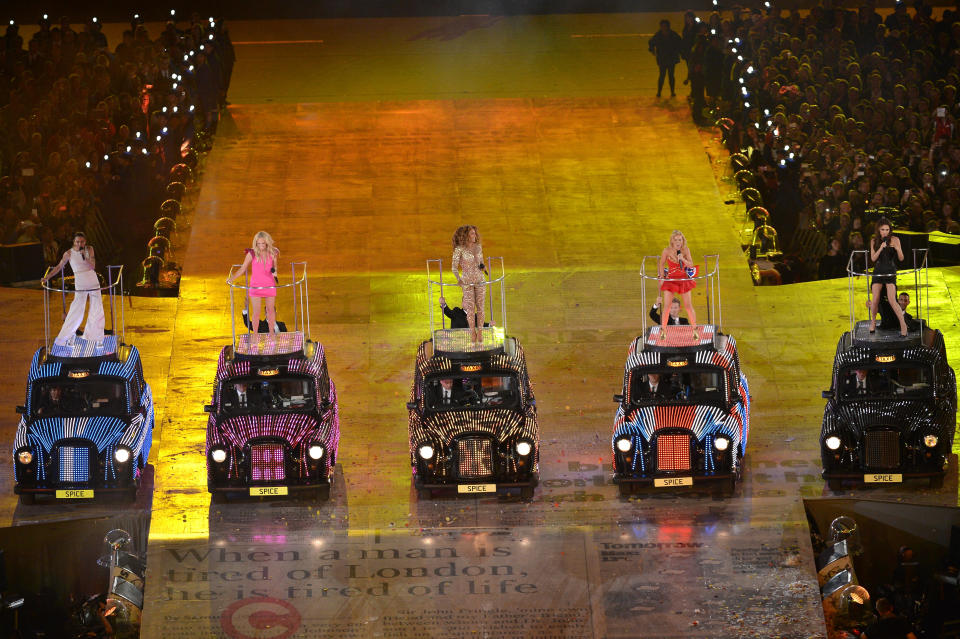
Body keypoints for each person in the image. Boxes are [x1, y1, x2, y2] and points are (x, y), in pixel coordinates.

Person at [42, 232, 105, 347]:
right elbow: (58, 267)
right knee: (77, 308)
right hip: (80, 281)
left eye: (82, 241)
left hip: (92, 279)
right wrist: (48, 277)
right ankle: (66, 336)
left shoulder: (89, 249)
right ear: (74, 242)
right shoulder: (69, 253)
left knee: (97, 307)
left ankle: (95, 337)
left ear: (85, 242)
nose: (80, 243)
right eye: (77, 241)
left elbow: (92, 266)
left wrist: (84, 257)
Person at [228, 231, 280, 334]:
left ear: (267, 243)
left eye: (263, 243)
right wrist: (231, 278)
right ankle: (255, 336)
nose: (261, 246)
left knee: (270, 311)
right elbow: (243, 269)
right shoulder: (251, 254)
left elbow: (274, 268)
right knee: (256, 312)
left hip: (269, 285)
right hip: (255, 286)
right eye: (258, 243)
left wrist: (274, 273)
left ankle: (272, 334)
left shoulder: (273, 253)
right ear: (255, 243)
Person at [867, 219, 908, 336]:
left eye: (887, 230)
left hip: (890, 271)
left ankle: (903, 324)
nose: (885, 232)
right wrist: (881, 247)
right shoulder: (874, 240)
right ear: (878, 230)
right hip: (878, 271)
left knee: (892, 299)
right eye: (882, 230)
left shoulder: (895, 239)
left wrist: (898, 248)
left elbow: (901, 258)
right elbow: (873, 259)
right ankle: (873, 322)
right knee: (875, 299)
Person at [658, 230, 698, 339]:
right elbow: (661, 264)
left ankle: (695, 329)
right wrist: (661, 277)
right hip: (671, 280)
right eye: (675, 240)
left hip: (683, 279)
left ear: (682, 240)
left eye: (679, 239)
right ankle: (664, 330)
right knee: (666, 306)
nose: (677, 242)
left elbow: (691, 265)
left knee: (688, 306)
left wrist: (683, 259)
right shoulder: (666, 251)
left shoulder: (685, 250)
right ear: (672, 241)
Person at [451, 225, 486, 344]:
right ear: (466, 235)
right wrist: (459, 279)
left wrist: (483, 266)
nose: (474, 236)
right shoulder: (459, 249)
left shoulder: (478, 247)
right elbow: (454, 267)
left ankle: (480, 331)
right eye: (472, 234)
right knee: (470, 309)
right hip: (467, 281)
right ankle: (472, 332)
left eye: (475, 233)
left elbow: (481, 262)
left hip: (480, 279)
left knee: (481, 307)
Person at [649, 19, 683, 98]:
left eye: (665, 26)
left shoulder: (673, 35)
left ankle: (672, 92)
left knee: (671, 76)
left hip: (671, 58)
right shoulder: (659, 35)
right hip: (663, 58)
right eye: (662, 26)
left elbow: (680, 43)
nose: (664, 28)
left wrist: (679, 52)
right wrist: (652, 50)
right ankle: (659, 92)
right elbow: (651, 42)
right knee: (662, 76)